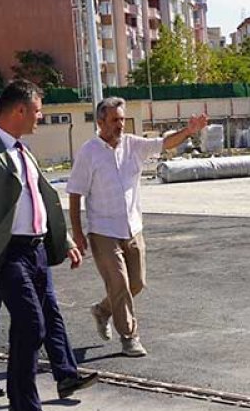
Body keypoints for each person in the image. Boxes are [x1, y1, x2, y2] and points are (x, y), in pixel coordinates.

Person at [0, 79, 92, 411]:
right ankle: (28, 410)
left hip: (35, 251)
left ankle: (18, 409)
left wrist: (62, 241)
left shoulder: (23, 150)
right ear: (19, 110)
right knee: (33, 325)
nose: (40, 117)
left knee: (29, 326)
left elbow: (39, 201)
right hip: (6, 253)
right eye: (37, 111)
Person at [67, 98, 207, 357]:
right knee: (119, 283)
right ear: (100, 123)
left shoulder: (133, 145)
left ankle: (102, 310)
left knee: (137, 283)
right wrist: (77, 232)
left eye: (122, 119)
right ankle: (130, 337)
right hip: (103, 230)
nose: (120, 125)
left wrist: (188, 131)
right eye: (114, 120)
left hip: (133, 228)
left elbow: (164, 144)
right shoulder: (89, 152)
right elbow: (75, 193)